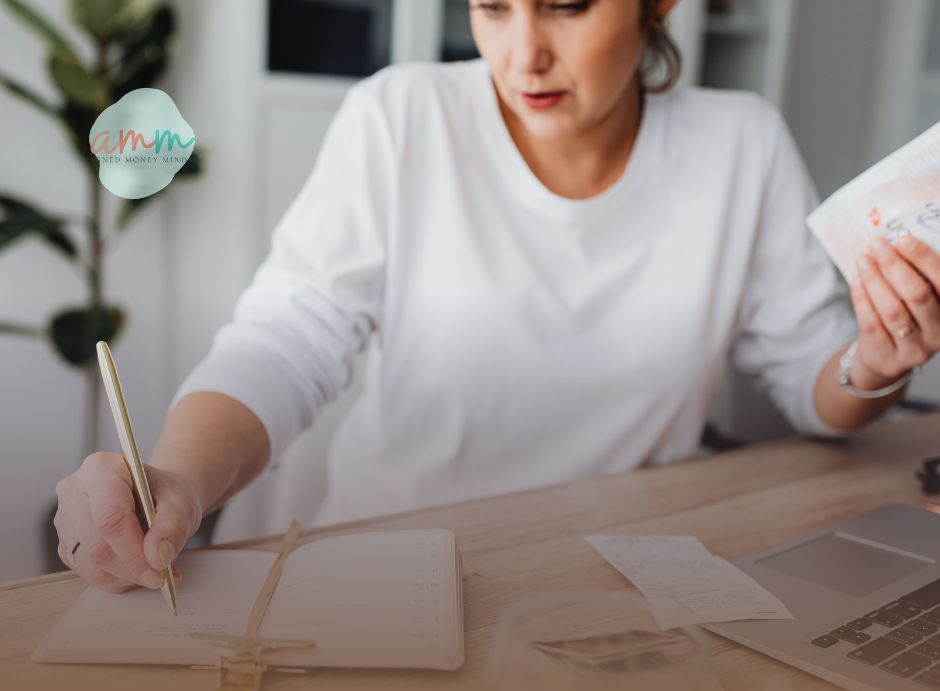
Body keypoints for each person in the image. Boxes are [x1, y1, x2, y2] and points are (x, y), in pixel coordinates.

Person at [53, 0, 940, 593]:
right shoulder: (402, 116)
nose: (524, 54)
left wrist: (875, 360)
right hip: (389, 579)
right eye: (490, 5)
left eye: (567, 3)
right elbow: (289, 338)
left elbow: (813, 386)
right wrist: (171, 477)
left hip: (627, 585)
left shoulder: (741, 146)